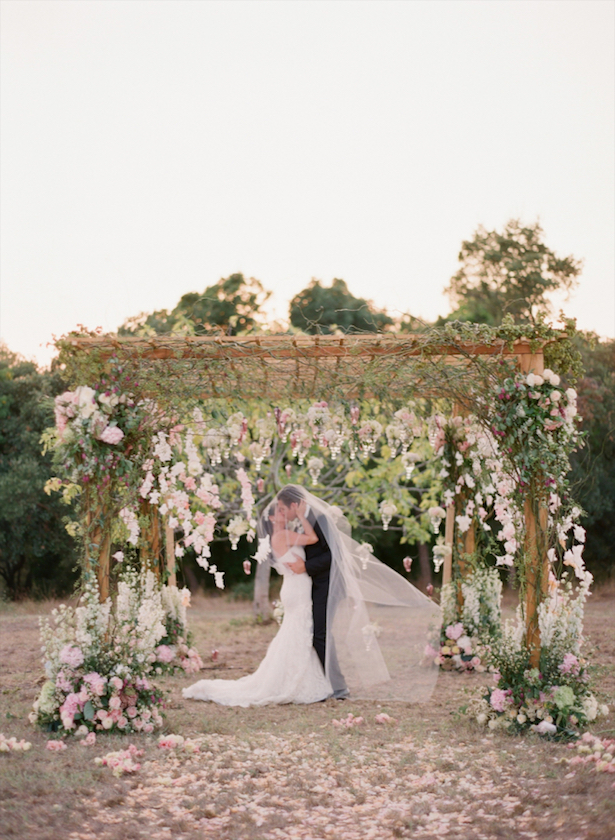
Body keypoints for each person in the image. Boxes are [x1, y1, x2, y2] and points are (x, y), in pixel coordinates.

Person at [182, 500, 333, 706]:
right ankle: (295, 679)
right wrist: (301, 515)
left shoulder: (286, 533)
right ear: (271, 518)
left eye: (283, 508)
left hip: (298, 587)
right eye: (279, 511)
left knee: (297, 631)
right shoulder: (281, 535)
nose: (284, 512)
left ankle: (301, 676)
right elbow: (313, 537)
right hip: (297, 590)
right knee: (299, 630)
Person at [276, 485, 349, 699]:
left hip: (329, 585)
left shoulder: (321, 519)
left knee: (320, 633)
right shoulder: (303, 522)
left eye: (283, 508)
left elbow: (334, 555)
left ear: (294, 505)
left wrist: (305, 567)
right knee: (318, 633)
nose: (282, 513)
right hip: (314, 586)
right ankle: (327, 683)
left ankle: (339, 687)